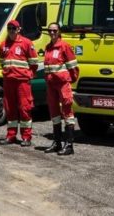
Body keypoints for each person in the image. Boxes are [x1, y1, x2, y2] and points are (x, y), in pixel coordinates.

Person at [0, 20, 38, 146]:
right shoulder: (3, 44)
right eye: (9, 28)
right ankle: (11, 136)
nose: (11, 31)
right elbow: (2, 61)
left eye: (13, 28)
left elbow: (34, 63)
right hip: (8, 81)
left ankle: (26, 137)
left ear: (18, 29)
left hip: (22, 82)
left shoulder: (26, 43)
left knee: (25, 108)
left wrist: (28, 75)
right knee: (10, 109)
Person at [42, 22, 79, 155]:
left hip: (63, 84)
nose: (52, 33)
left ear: (59, 32)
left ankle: (69, 145)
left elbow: (73, 67)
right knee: (54, 113)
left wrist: (69, 80)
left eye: (54, 30)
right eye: (50, 31)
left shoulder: (64, 46)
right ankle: (57, 143)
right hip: (51, 84)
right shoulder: (48, 47)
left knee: (67, 112)